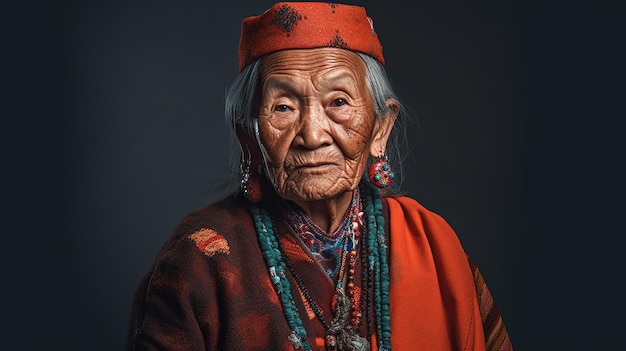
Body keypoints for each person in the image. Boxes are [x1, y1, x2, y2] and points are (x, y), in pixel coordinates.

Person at [126, 2, 513, 350]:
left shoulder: (436, 249)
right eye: (283, 106)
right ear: (249, 135)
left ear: (381, 128)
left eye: (339, 102)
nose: (312, 135)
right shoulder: (200, 259)